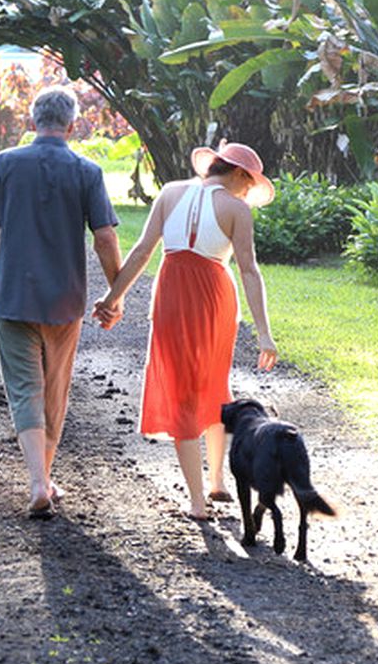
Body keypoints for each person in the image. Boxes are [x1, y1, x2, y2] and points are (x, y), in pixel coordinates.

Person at [92, 140, 278, 521]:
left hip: (172, 291)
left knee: (182, 390)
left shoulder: (171, 192)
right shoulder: (236, 208)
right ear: (240, 175)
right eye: (250, 183)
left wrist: (112, 297)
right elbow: (248, 271)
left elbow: (143, 251)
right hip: (214, 297)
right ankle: (214, 483)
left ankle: (200, 496)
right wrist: (264, 334)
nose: (248, 191)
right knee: (212, 384)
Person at [0, 87, 122, 518]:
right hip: (64, 303)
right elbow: (106, 237)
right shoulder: (87, 171)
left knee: (24, 391)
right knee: (55, 392)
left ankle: (39, 482)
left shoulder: (4, 164)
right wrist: (114, 294)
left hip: (13, 298)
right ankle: (45, 480)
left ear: (32, 122)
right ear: (73, 126)